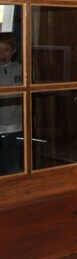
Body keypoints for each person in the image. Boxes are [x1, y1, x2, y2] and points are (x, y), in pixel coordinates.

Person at [0, 33, 24, 175]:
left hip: (16, 124)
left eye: (6, 50)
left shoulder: (20, 69)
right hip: (1, 122)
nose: (2, 54)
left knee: (12, 162)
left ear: (13, 50)